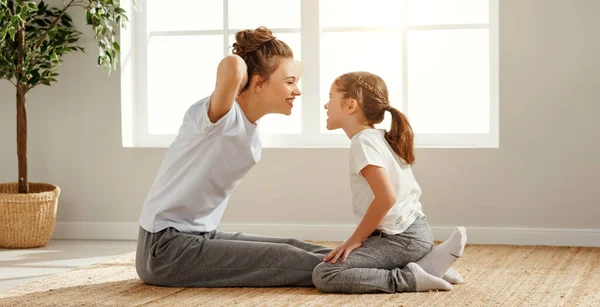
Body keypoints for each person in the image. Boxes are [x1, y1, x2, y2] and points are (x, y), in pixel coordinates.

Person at [135, 26, 331, 287]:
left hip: (199, 236)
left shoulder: (248, 126)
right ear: (258, 83)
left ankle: (369, 257)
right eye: (290, 82)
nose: (298, 91)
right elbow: (233, 64)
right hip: (164, 249)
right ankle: (387, 273)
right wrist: (254, 55)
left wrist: (285, 67)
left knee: (293, 246)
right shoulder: (219, 118)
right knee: (288, 258)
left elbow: (266, 70)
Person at [312, 71, 467, 293]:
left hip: (402, 240)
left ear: (350, 106)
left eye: (330, 97)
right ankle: (429, 266)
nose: (325, 106)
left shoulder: (363, 143)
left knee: (325, 274)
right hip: (415, 234)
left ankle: (408, 278)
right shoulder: (379, 137)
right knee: (334, 256)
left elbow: (386, 198)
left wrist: (354, 239)